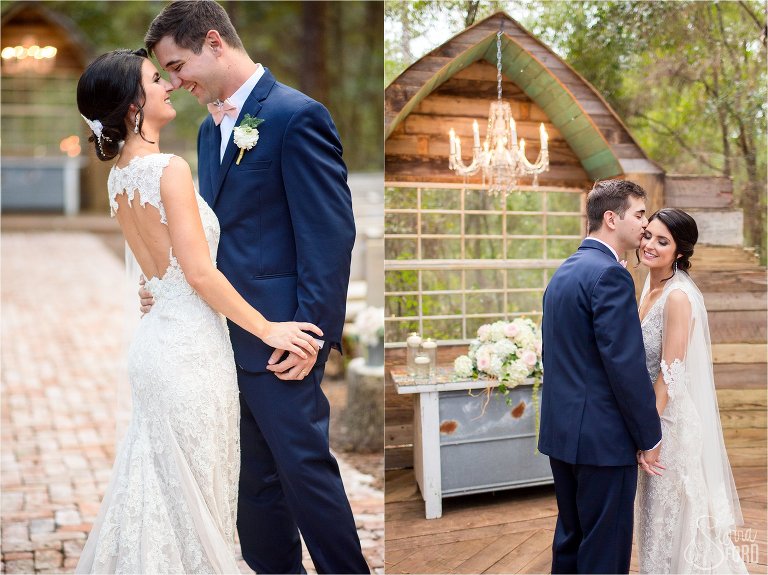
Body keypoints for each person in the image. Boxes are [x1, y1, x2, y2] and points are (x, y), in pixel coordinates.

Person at [141, 1, 369, 573]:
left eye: (177, 64)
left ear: (214, 42)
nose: (175, 81)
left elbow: (330, 233)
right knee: (252, 488)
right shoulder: (205, 128)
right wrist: (169, 286)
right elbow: (210, 239)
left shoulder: (297, 115)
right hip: (221, 335)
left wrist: (309, 336)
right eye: (166, 74)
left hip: (281, 341)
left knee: (305, 475)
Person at [75, 48, 322, 573]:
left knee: (161, 489)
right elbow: (200, 273)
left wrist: (151, 287)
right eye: (153, 79)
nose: (168, 85)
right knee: (195, 500)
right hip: (189, 356)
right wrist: (269, 328)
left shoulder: (120, 177)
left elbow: (154, 264)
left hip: (158, 346)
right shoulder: (168, 168)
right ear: (134, 107)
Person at [538, 179, 664, 574]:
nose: (645, 224)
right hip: (602, 441)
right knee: (605, 552)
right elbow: (624, 368)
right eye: (639, 214)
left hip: (563, 436)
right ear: (612, 218)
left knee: (572, 540)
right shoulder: (610, 275)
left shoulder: (565, 271)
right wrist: (650, 436)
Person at [635, 208, 747, 574]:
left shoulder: (678, 297)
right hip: (655, 417)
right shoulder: (650, 285)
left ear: (680, 252)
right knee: (654, 519)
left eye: (662, 241)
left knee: (672, 519)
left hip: (668, 425)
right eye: (648, 234)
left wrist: (649, 436)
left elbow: (670, 373)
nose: (650, 245)